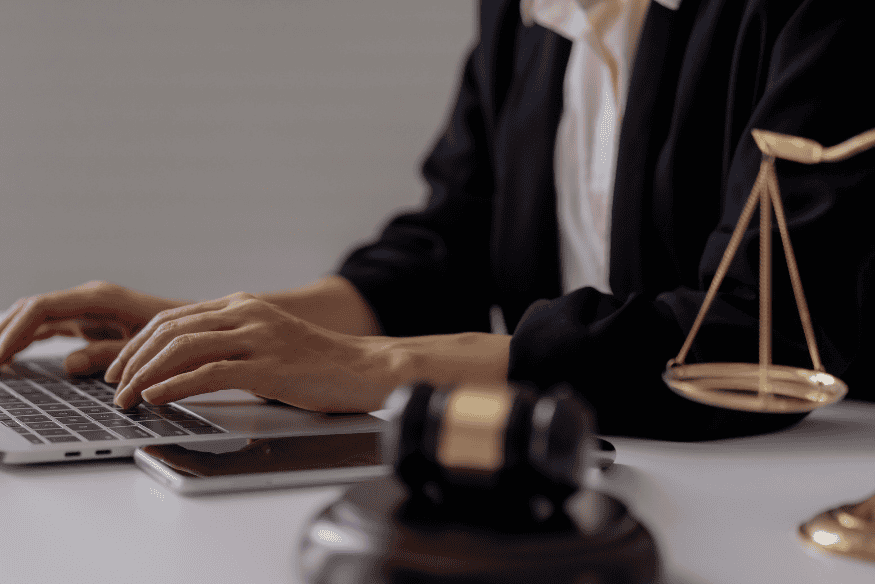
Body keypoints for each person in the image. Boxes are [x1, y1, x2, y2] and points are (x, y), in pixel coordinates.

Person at [1, 0, 873, 441]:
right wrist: (218, 330)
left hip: (801, 480)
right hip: (591, 467)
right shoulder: (521, 13)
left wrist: (372, 367)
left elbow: (760, 337)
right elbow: (446, 244)